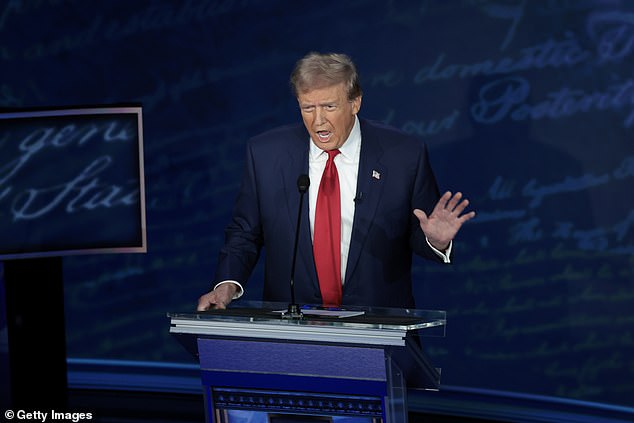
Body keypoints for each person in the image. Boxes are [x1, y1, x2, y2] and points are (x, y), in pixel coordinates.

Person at [197, 52, 475, 311]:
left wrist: (434, 240)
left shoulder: (403, 154)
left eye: (329, 106)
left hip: (377, 327)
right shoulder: (266, 154)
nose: (318, 121)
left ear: (355, 102)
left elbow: (418, 231)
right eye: (308, 108)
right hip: (293, 332)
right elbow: (245, 233)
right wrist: (226, 286)